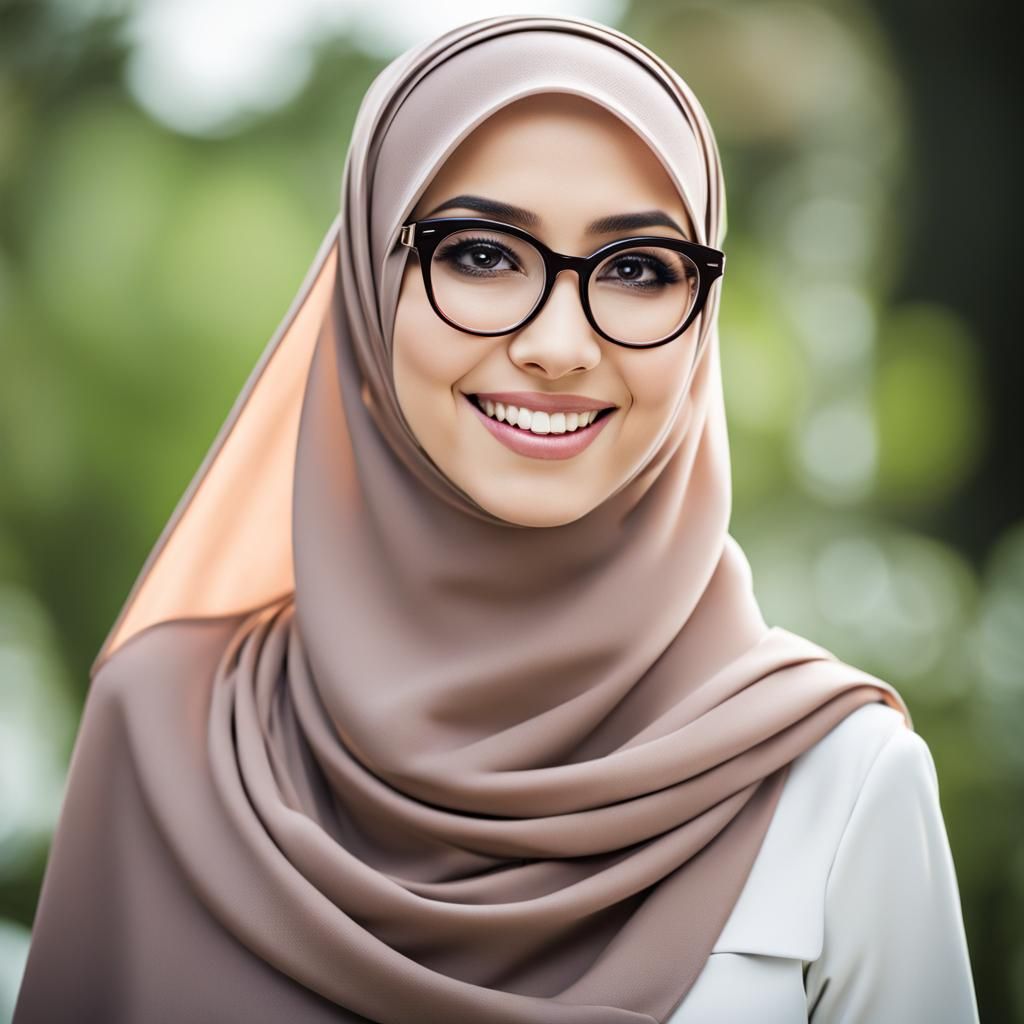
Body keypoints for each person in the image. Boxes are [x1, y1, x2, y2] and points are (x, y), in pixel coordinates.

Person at [13, 13, 979, 1024]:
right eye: (479, 255)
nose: (558, 344)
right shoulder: (167, 732)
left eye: (640, 267)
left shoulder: (839, 784)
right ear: (368, 283)